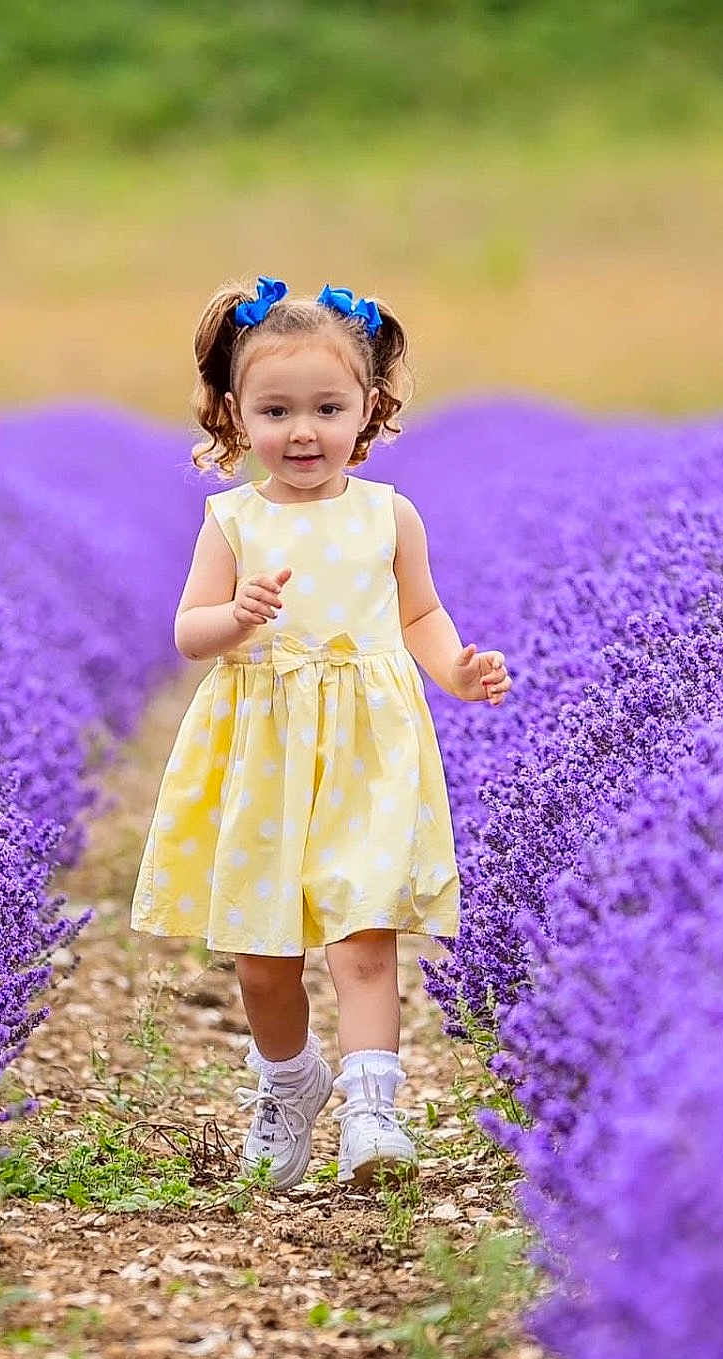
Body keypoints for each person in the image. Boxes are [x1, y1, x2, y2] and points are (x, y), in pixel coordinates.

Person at [129, 275, 512, 1191]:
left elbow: (420, 615)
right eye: (276, 410)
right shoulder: (234, 521)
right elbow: (188, 634)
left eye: (327, 408)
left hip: (366, 750)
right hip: (264, 750)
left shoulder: (390, 514)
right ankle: (289, 1082)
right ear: (233, 414)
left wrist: (455, 668)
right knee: (264, 962)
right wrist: (238, 616)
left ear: (368, 411)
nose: (303, 432)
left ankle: (374, 1109)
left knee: (363, 934)